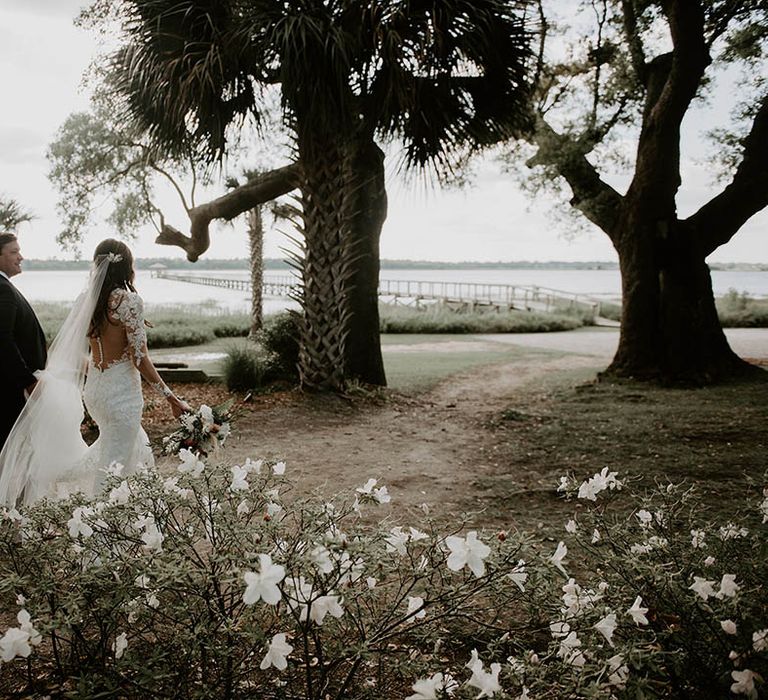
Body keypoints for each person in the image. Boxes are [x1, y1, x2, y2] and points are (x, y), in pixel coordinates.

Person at [0, 239, 189, 506]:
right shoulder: (129, 301)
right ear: (127, 267)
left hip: (96, 393)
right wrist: (172, 399)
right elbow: (140, 358)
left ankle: (143, 515)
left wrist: (98, 367)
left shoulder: (85, 301)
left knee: (133, 447)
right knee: (112, 469)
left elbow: (76, 353)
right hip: (122, 395)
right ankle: (104, 529)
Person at [0, 232, 47, 450]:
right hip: (11, 391)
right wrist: (28, 382)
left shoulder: (5, 286)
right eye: (14, 252)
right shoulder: (3, 289)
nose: (20, 257)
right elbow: (3, 339)